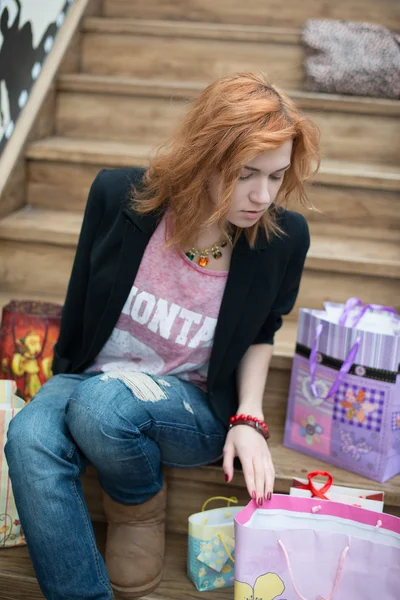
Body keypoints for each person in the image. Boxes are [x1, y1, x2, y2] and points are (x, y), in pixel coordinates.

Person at [5, 72, 320, 600]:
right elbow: (82, 288)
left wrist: (248, 417)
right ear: (205, 157)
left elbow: (263, 330)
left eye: (276, 176)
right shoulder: (116, 196)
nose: (263, 195)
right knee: (29, 436)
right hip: (93, 373)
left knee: (103, 405)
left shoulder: (282, 240)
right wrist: (58, 383)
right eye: (247, 174)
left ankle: (137, 507)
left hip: (191, 403)